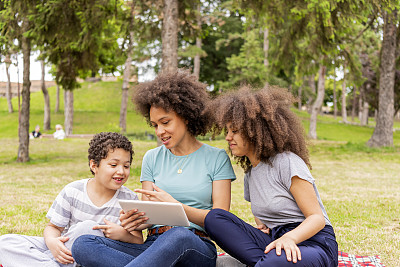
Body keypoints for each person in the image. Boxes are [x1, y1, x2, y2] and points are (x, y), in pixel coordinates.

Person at [72, 70, 236, 267]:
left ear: (186, 116)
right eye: (155, 125)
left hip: (194, 245)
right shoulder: (152, 158)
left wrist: (177, 207)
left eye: (165, 122)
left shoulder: (216, 158)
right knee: (83, 244)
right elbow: (148, 218)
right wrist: (136, 220)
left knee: (178, 235)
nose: (160, 132)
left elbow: (220, 222)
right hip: (152, 246)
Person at [204, 86, 338, 267]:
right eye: (227, 131)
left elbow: (316, 218)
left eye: (234, 130)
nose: (228, 137)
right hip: (276, 243)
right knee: (215, 218)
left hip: (314, 243)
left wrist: (290, 238)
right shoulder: (250, 174)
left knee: (274, 260)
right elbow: (263, 219)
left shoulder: (287, 162)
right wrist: (265, 229)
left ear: (254, 130)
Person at [0, 132, 142, 267]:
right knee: (5, 242)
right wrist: (52, 242)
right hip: (65, 247)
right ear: (94, 165)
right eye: (113, 165)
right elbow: (53, 228)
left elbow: (138, 240)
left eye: (126, 166)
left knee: (87, 229)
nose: (121, 171)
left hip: (91, 255)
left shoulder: (129, 199)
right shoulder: (73, 191)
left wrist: (121, 233)